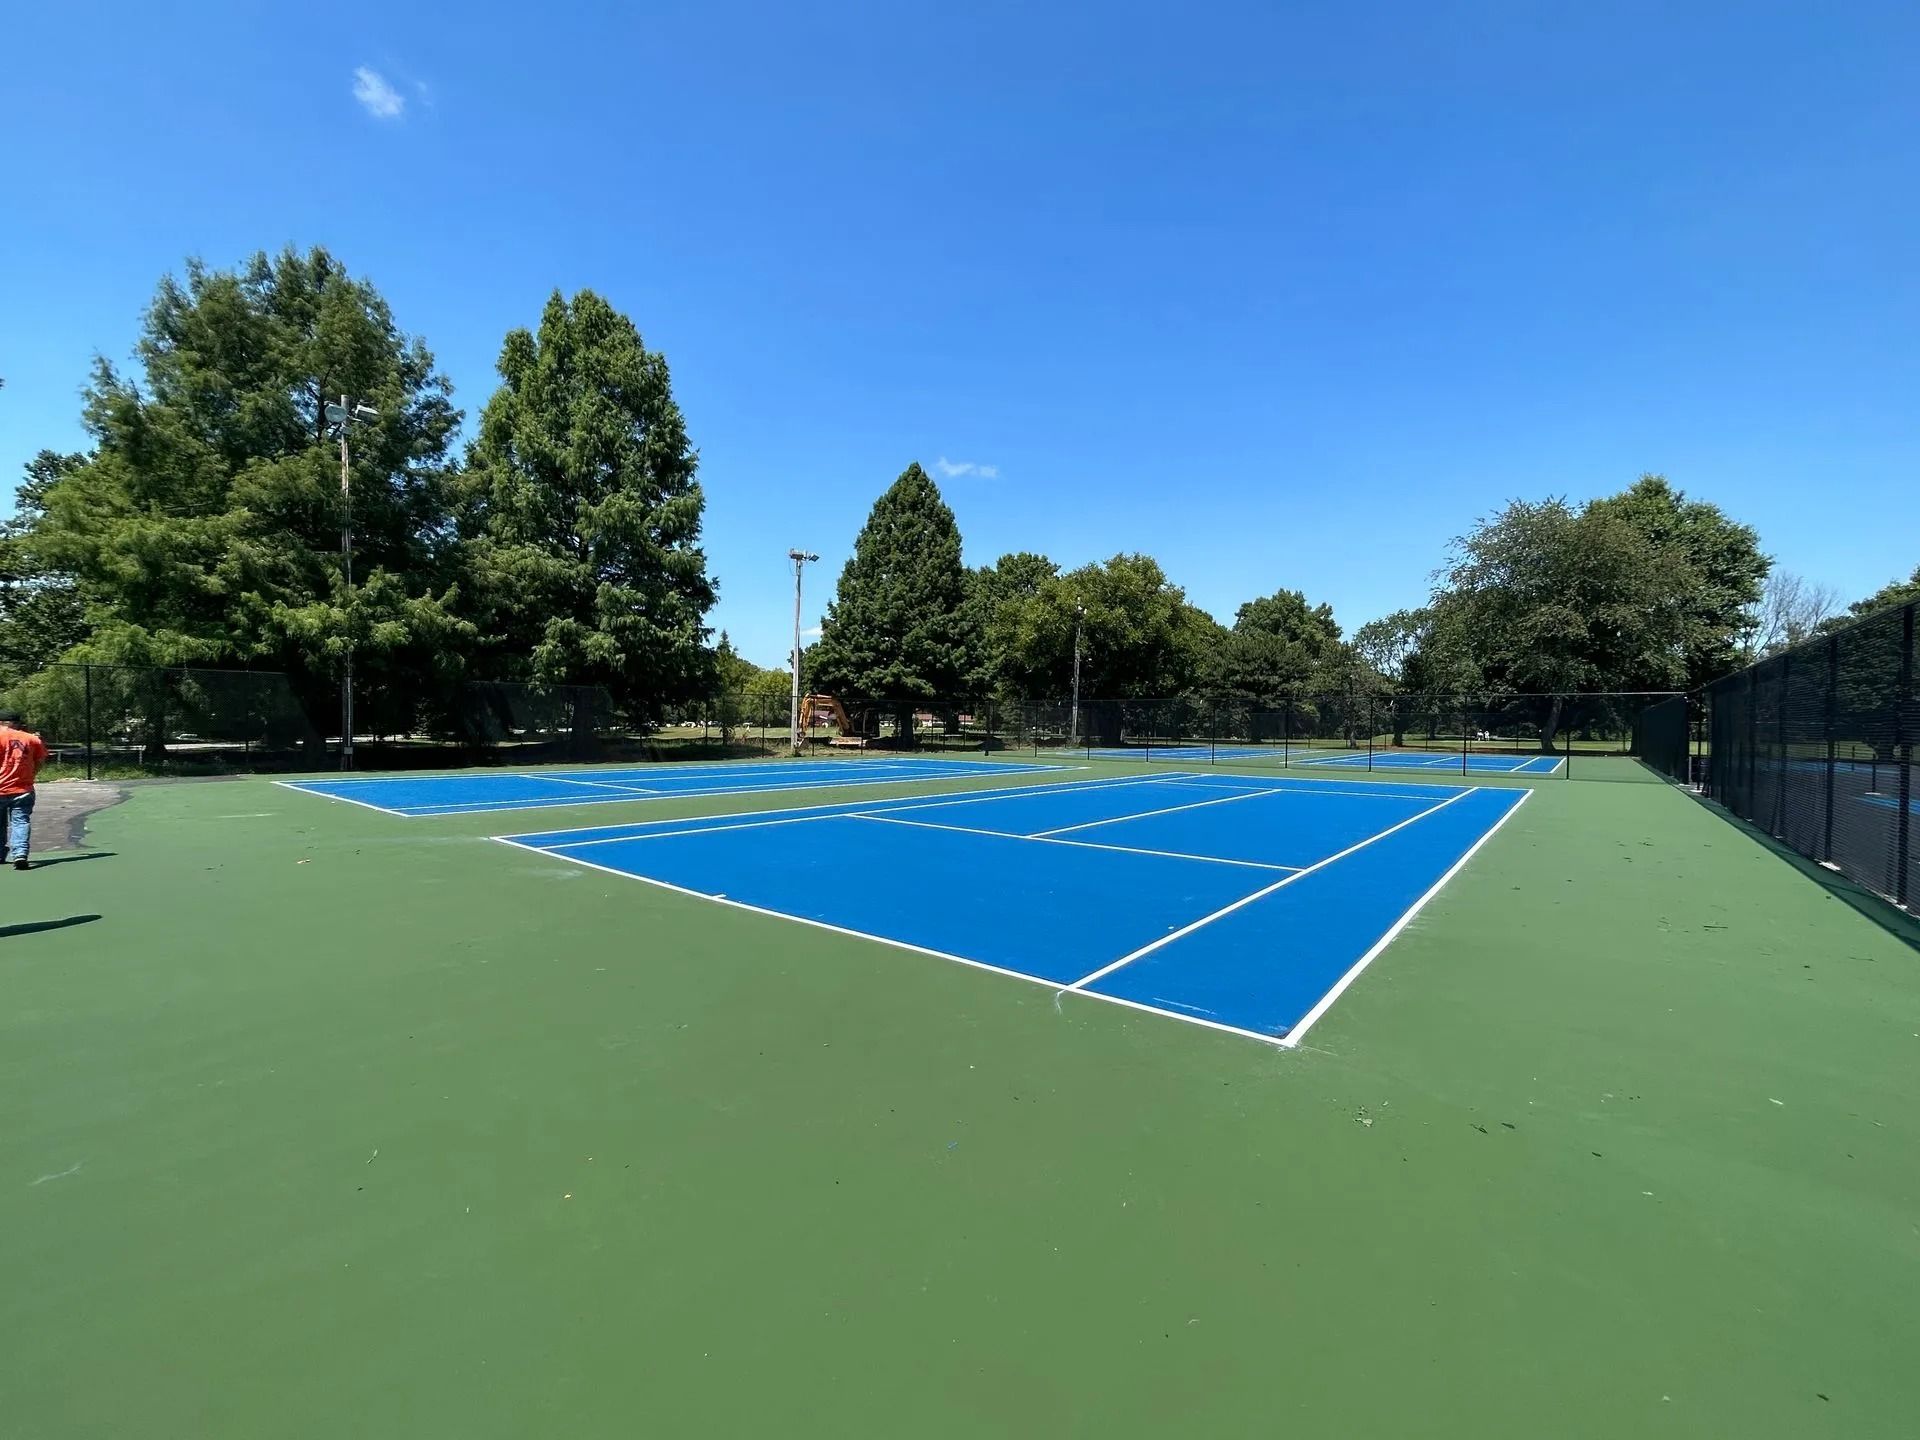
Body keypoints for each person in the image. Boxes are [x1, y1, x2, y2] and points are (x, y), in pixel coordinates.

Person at [0, 710, 51, 871]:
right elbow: (41, 760)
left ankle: (0, 854)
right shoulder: (31, 739)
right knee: (21, 821)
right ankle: (20, 854)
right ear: (16, 723)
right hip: (23, 788)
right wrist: (31, 774)